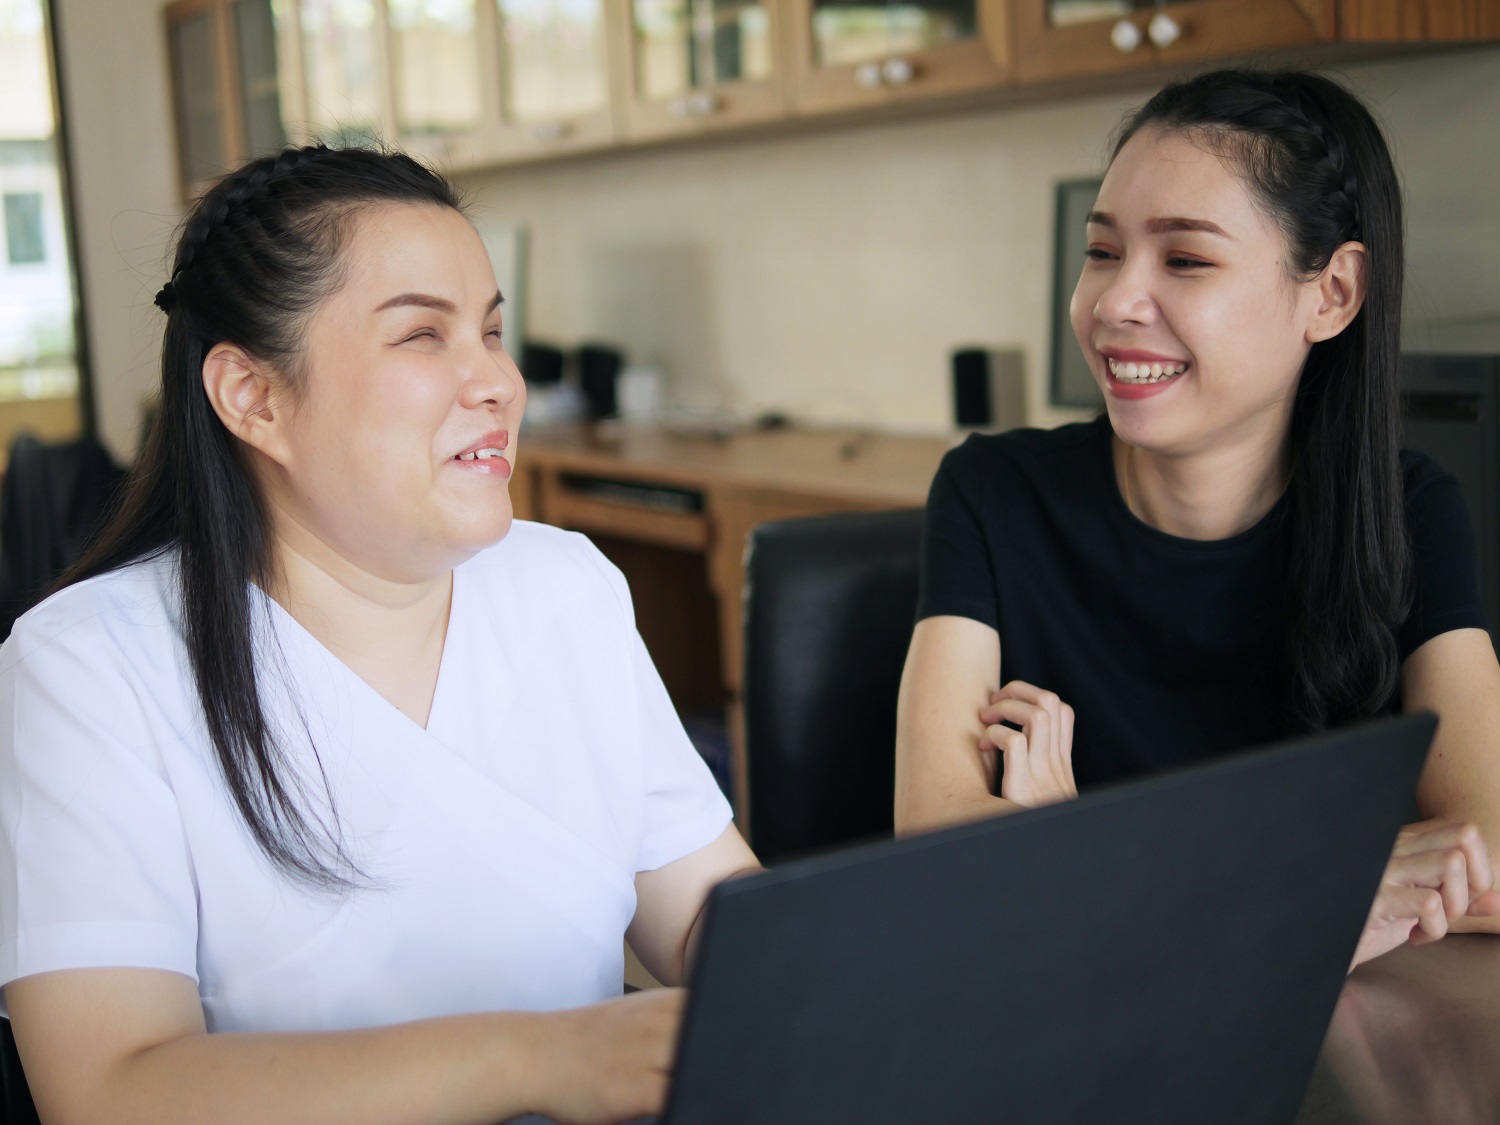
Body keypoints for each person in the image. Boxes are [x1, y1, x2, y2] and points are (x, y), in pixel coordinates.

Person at [0, 145, 759, 1125]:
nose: (497, 383)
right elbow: (112, 1091)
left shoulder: (564, 588)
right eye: (420, 337)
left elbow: (709, 914)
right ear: (252, 397)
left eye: (492, 331)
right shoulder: (87, 668)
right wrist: (534, 1058)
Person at [894, 69, 1500, 968]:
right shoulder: (992, 490)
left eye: (1185, 260)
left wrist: (1077, 844)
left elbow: (1484, 863)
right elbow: (939, 842)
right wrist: (1323, 889)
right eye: (1102, 252)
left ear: (1331, 294)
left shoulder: (1410, 513)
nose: (1113, 303)